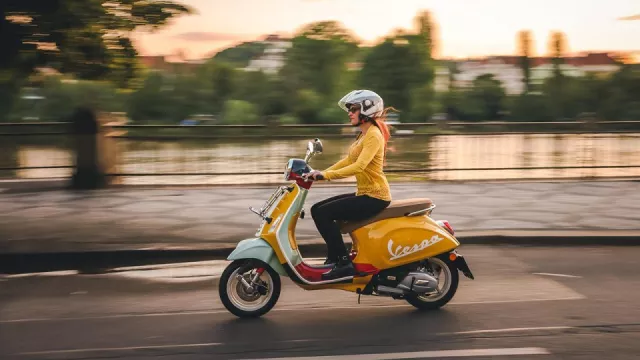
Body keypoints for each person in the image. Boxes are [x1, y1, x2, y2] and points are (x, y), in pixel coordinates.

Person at [303, 90, 393, 280]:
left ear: (367, 110)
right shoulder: (364, 134)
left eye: (353, 109)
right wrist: (319, 172)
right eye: (349, 110)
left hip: (375, 197)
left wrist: (325, 176)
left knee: (323, 213)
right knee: (317, 209)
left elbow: (359, 167)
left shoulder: (373, 135)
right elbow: (347, 160)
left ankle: (343, 263)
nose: (349, 113)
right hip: (365, 193)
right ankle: (335, 258)